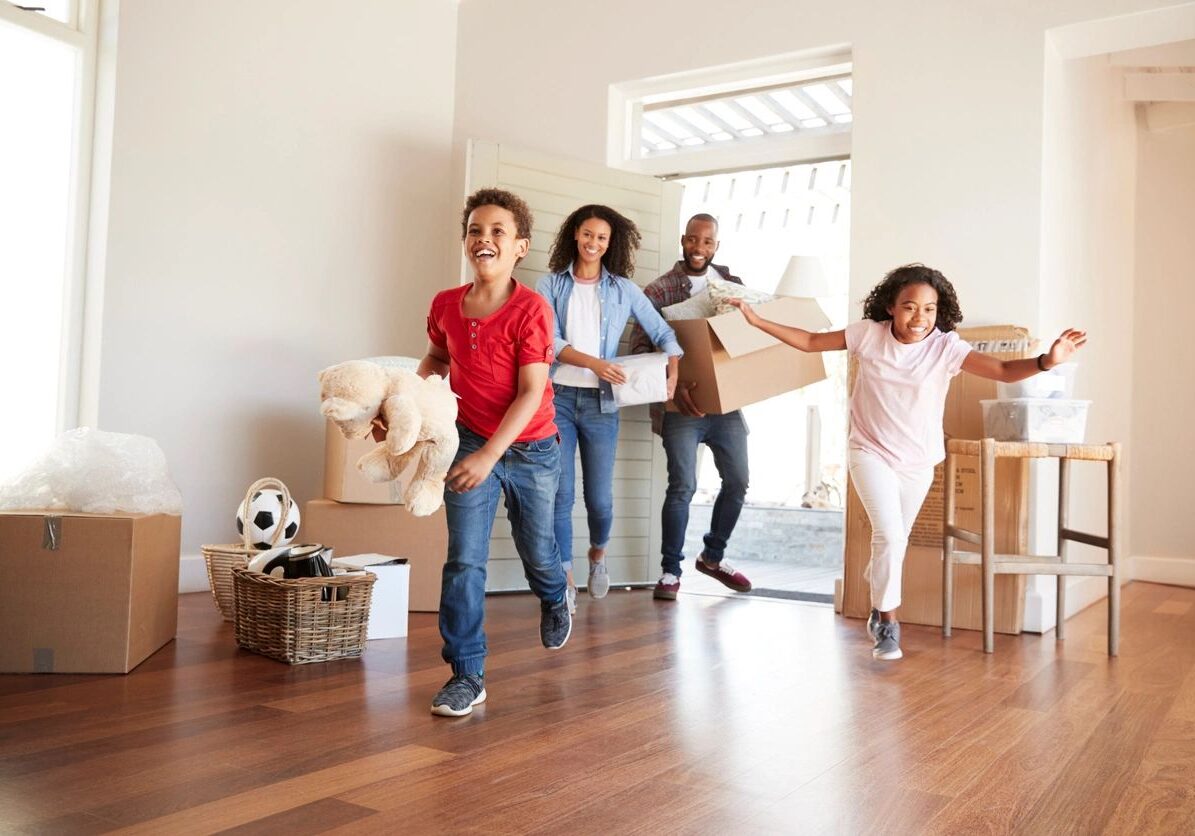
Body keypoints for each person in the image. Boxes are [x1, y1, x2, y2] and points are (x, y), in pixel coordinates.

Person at [726, 263, 1086, 660]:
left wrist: (1046, 362)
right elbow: (811, 341)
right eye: (910, 307)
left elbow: (1001, 369)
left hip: (919, 461)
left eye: (930, 309)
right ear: (892, 307)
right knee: (891, 537)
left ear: (940, 311)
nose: (920, 318)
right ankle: (887, 622)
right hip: (870, 451)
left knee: (895, 542)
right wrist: (757, 320)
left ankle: (879, 593)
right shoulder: (868, 335)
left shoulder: (946, 347)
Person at [395, 188, 571, 717]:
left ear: (520, 246)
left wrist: (491, 457)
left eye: (498, 231)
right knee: (464, 561)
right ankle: (467, 673)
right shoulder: (445, 304)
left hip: (531, 448)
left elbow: (531, 392)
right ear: (466, 241)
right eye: (476, 229)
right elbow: (434, 358)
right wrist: (406, 401)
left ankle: (556, 593)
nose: (484, 238)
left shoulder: (532, 310)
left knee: (537, 550)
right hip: (470, 439)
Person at [536, 206, 682, 613]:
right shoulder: (550, 285)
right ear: (574, 236)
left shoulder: (623, 289)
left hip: (602, 404)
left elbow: (664, 334)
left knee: (599, 499)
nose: (593, 243)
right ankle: (564, 580)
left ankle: (597, 556)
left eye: (601, 238)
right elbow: (549, 341)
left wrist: (671, 372)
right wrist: (596, 364)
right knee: (560, 496)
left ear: (610, 244)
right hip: (558, 399)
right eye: (587, 234)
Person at [630, 213, 754, 601]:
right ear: (683, 240)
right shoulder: (659, 290)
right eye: (693, 240)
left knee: (738, 481)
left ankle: (712, 558)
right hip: (680, 407)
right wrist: (673, 389)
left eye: (707, 242)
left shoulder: (734, 288)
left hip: (727, 405)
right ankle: (670, 572)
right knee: (682, 486)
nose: (699, 248)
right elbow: (639, 348)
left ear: (717, 245)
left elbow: (745, 342)